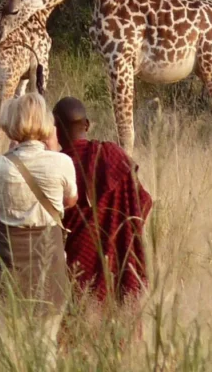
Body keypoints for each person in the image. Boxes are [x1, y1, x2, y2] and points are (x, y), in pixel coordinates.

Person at [0, 92, 78, 366]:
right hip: (49, 256)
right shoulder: (63, 163)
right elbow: (70, 201)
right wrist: (54, 148)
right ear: (48, 124)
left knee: (3, 342)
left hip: (7, 258)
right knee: (45, 343)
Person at [53, 96, 153, 306]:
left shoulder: (57, 167)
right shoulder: (113, 154)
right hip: (120, 258)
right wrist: (122, 233)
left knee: (77, 322)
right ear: (87, 125)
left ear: (56, 128)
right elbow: (144, 201)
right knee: (119, 322)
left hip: (77, 259)